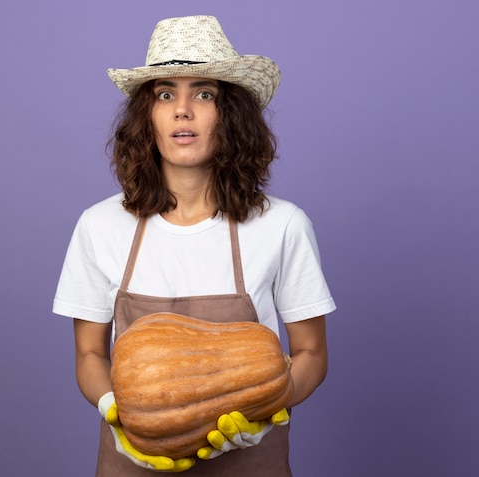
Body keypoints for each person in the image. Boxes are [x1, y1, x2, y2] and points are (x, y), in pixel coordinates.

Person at [53, 15, 336, 476]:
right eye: (165, 94)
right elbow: (89, 354)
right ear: (148, 115)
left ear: (231, 114)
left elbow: (311, 354)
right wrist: (114, 409)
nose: (182, 110)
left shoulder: (283, 225)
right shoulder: (99, 226)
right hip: (132, 464)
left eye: (203, 93)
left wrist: (270, 407)